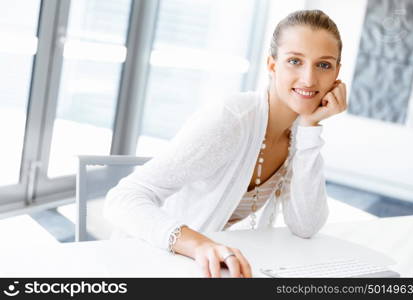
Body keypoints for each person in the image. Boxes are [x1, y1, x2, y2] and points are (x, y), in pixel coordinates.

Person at [103, 9, 347, 278]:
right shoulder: (231, 119)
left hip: (208, 267)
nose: (309, 79)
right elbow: (122, 199)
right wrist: (200, 245)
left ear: (337, 73)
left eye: (323, 65)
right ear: (272, 65)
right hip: (148, 262)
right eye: (294, 61)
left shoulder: (297, 133)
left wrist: (310, 128)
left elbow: (306, 226)